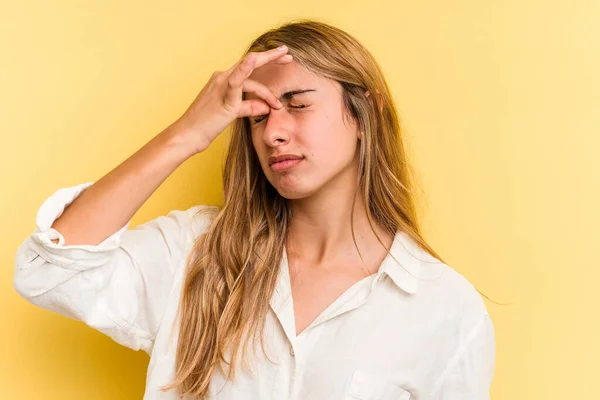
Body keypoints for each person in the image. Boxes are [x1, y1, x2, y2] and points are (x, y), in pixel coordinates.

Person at [13, 19, 495, 399]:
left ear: (365, 114)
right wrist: (187, 134)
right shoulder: (194, 252)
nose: (271, 133)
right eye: (257, 115)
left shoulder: (442, 308)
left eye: (297, 104)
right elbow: (51, 271)